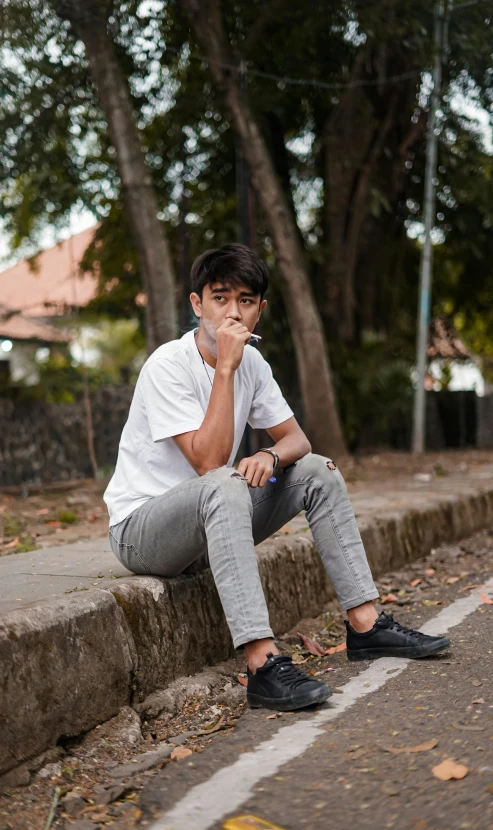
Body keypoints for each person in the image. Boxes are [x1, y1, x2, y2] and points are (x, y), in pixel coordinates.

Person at [104, 243, 450, 712]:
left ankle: (367, 626)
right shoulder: (167, 366)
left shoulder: (254, 363)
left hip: (207, 527)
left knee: (316, 471)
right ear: (196, 304)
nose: (233, 312)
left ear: (260, 311)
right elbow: (207, 462)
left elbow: (297, 440)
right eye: (220, 297)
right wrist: (225, 365)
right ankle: (263, 665)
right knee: (224, 481)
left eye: (245, 301)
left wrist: (269, 453)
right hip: (144, 532)